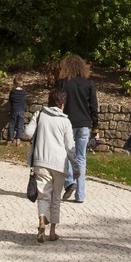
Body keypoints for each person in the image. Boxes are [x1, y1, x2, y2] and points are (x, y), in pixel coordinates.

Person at [25, 87, 75, 242]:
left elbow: (27, 133)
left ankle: (41, 221)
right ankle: (52, 232)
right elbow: (70, 146)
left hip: (41, 161)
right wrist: (77, 168)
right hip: (59, 164)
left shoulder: (39, 115)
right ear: (62, 105)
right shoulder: (65, 121)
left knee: (43, 195)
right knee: (56, 198)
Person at [57, 53, 98, 203]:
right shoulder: (89, 83)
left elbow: (57, 102)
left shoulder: (63, 83)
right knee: (81, 158)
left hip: (68, 123)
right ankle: (80, 195)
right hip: (84, 124)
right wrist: (96, 127)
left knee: (67, 154)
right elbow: (94, 106)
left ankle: (70, 182)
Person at [7, 75, 27, 146]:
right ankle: (18, 140)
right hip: (21, 110)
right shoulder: (23, 92)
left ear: (14, 83)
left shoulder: (12, 92)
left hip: (14, 110)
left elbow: (10, 100)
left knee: (12, 124)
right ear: (21, 83)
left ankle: (10, 139)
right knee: (20, 125)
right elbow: (24, 101)